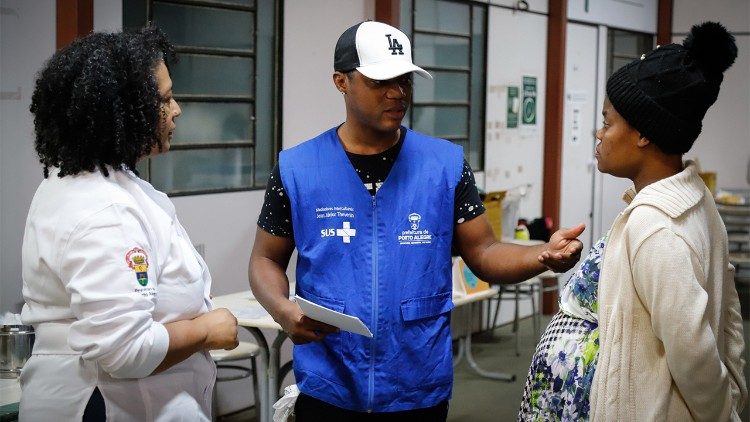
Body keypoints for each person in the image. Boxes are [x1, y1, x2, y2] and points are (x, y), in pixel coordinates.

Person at [249, 20, 584, 421]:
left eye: (405, 79)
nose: (398, 93)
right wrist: (282, 310)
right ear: (341, 81)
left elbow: (484, 251)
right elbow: (265, 260)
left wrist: (541, 256)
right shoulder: (297, 168)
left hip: (417, 385)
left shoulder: (444, 165)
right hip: (329, 383)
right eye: (380, 81)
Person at [519, 21, 747, 421]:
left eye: (608, 122)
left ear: (643, 133)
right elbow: (730, 316)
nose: (599, 132)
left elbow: (695, 357)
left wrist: (725, 411)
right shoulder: (695, 199)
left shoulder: (656, 227)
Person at [19, 27, 239, 421]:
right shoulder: (103, 211)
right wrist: (207, 330)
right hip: (107, 406)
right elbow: (126, 351)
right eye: (165, 99)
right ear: (120, 112)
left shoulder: (92, 182)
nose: (177, 109)